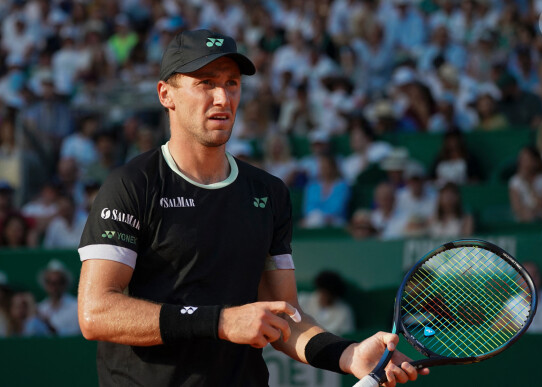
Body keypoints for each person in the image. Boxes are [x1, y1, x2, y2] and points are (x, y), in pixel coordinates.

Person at [77, 29, 428, 387]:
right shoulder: (131, 184)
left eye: (232, 83)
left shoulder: (268, 192)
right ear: (166, 94)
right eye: (205, 83)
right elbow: (96, 312)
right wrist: (220, 321)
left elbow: (285, 315)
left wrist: (348, 354)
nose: (222, 97)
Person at [509, 146, 542, 222]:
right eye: (522, 159)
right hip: (524, 221)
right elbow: (517, 208)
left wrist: (529, 184)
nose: (523, 163)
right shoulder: (515, 181)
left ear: (536, 161)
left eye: (526, 159)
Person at [298, 270, 356, 335]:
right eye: (323, 292)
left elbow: (347, 335)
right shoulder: (302, 300)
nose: (326, 297)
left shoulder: (344, 311)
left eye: (330, 294)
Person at [37, 259, 81, 336]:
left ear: (65, 283)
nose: (54, 287)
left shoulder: (76, 307)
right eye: (50, 282)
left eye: (59, 282)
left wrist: (52, 329)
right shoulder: (41, 308)